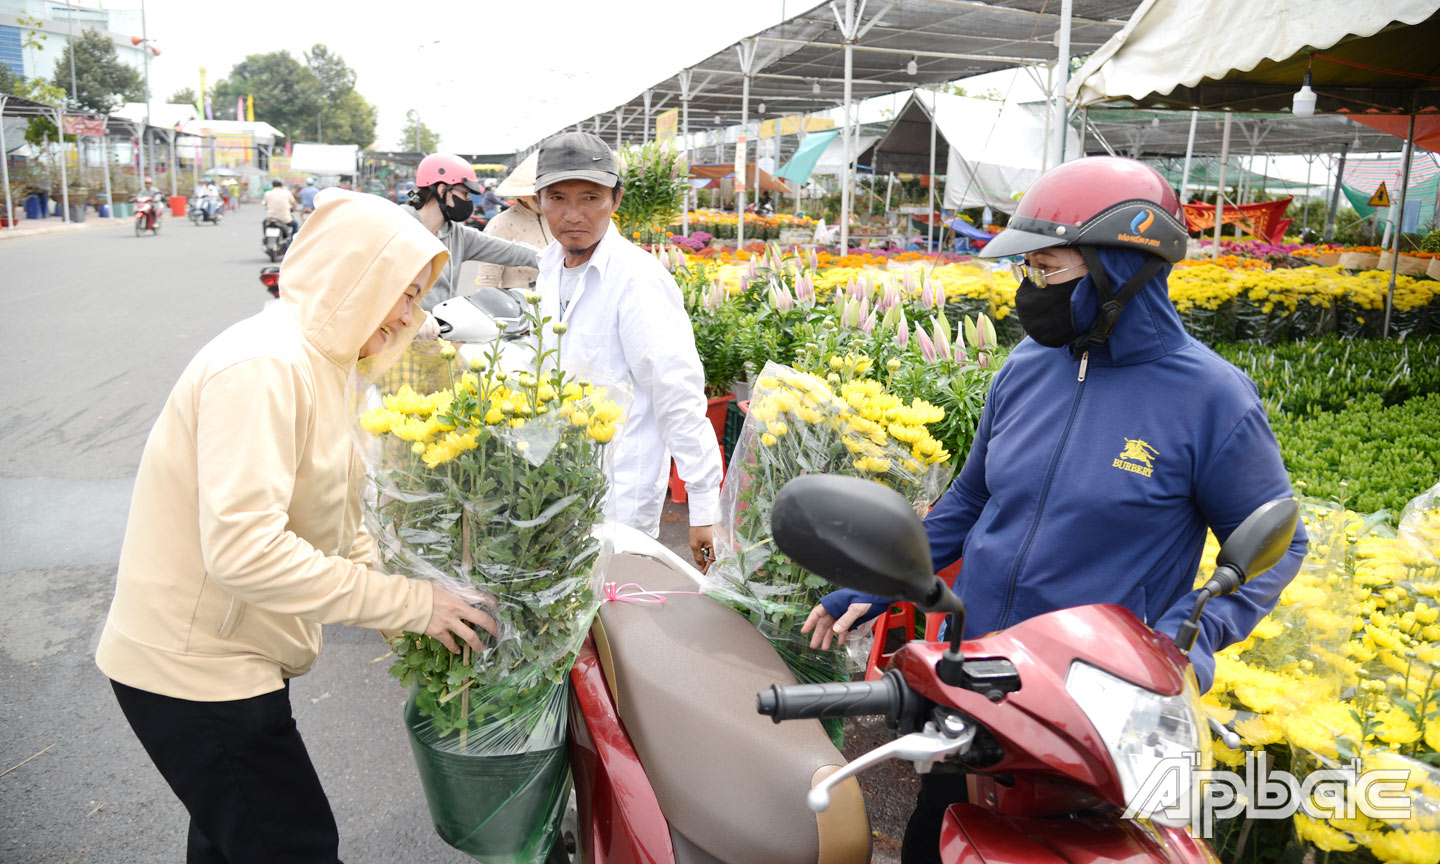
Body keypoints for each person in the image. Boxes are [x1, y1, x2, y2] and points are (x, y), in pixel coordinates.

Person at [798, 156, 1309, 864]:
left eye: (1047, 267)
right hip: (979, 676)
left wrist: (1178, 647)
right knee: (939, 840)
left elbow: (1278, 546)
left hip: (1093, 704)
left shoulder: (1210, 399)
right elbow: (971, 501)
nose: (1030, 287)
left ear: (1119, 267)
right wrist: (879, 577)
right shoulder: (1025, 367)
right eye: (1028, 268)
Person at [96, 190, 496, 864]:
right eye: (400, 293)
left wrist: (396, 605)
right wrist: (409, 603)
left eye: (417, 296)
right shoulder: (264, 368)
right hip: (193, 666)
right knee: (293, 845)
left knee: (232, 842)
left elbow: (339, 517)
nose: (410, 315)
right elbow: (246, 553)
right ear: (352, 278)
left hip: (236, 649)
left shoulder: (329, 364)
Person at [532, 131, 722, 570]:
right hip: (553, 488)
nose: (573, 214)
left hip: (617, 498)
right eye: (557, 198)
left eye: (590, 198)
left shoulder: (637, 279)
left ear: (616, 199)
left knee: (613, 603)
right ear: (538, 201)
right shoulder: (548, 269)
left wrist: (703, 507)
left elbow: (676, 393)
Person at [402, 152, 539, 315]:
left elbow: (511, 251)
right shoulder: (398, 227)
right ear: (442, 190)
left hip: (438, 327)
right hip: (397, 326)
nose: (468, 201)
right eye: (465, 194)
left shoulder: (458, 236)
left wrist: (552, 258)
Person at [474, 152, 554, 294]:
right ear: (522, 196)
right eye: (538, 194)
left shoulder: (557, 219)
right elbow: (488, 282)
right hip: (520, 304)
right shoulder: (501, 224)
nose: (546, 199)